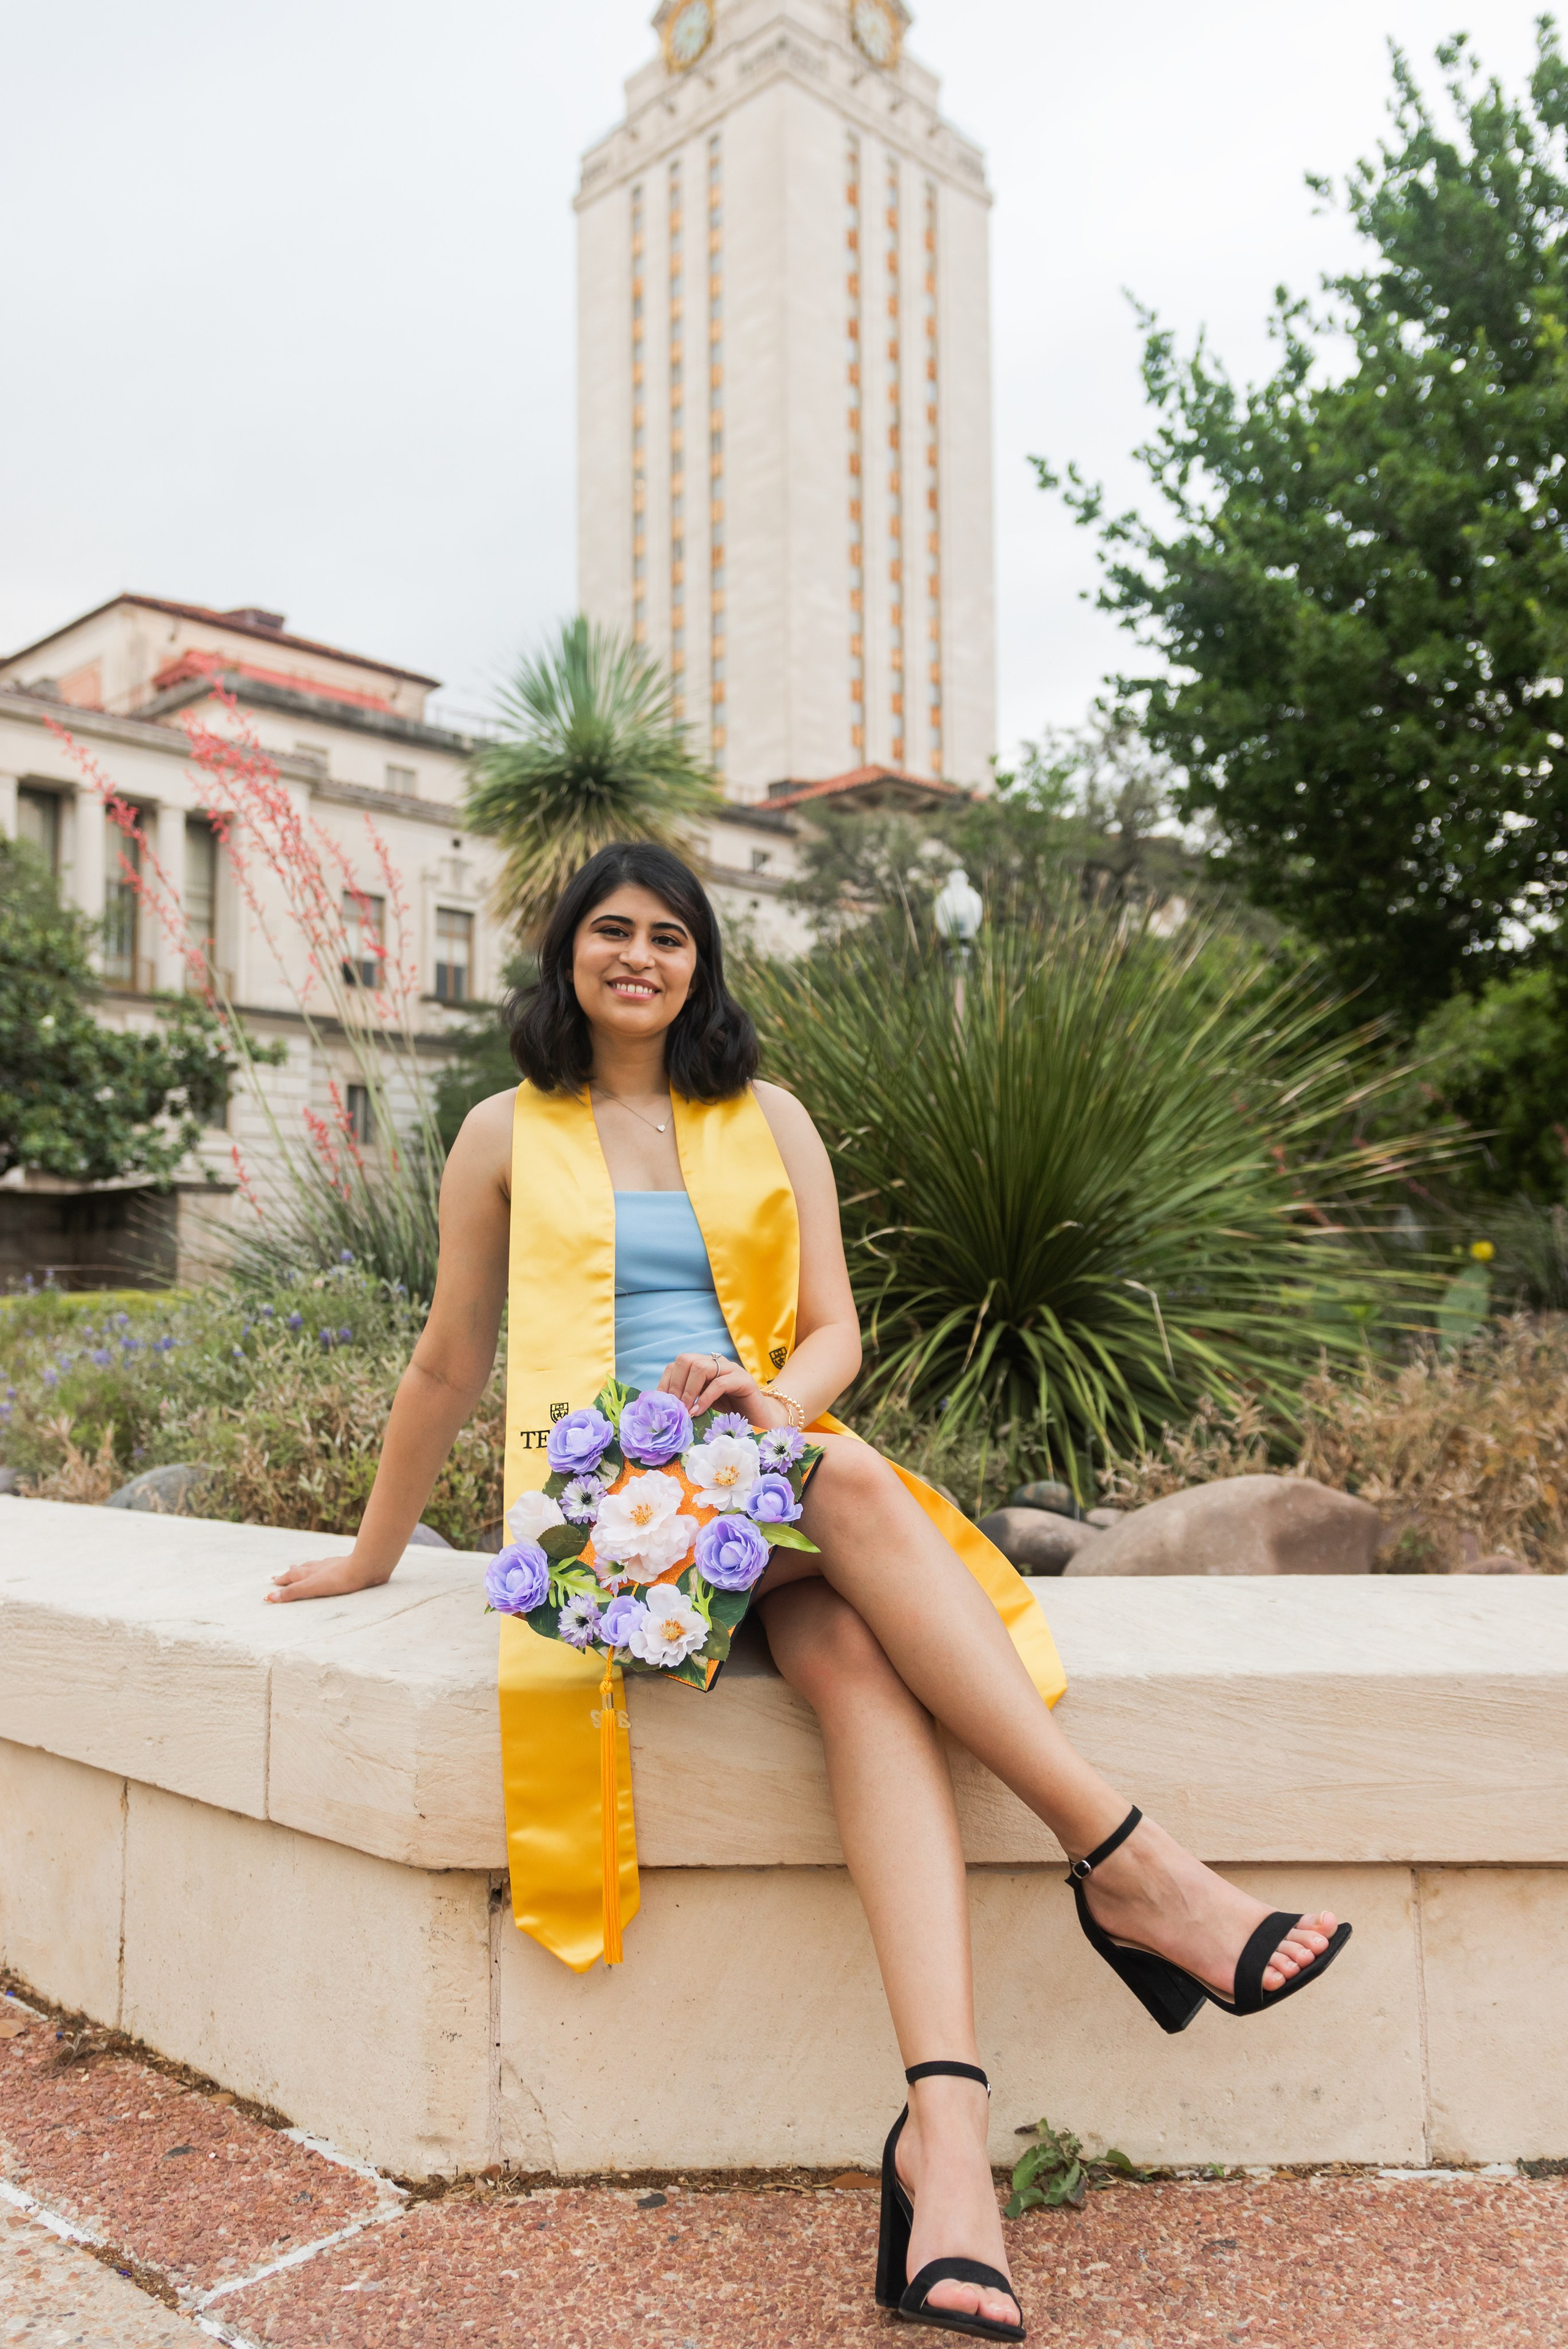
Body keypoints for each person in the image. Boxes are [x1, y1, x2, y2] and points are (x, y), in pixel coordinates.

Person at [268, 843, 1349, 2343]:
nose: (638, 956)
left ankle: (946, 2145)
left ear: (701, 961)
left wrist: (768, 1401)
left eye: (668, 936)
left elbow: (833, 1333)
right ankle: (1126, 1862)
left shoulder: (764, 1117)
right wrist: (375, 1555)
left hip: (751, 1481)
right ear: (563, 956)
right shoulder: (502, 1133)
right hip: (603, 1515)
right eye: (609, 932)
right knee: (845, 1485)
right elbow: (448, 1362)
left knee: (847, 1649)